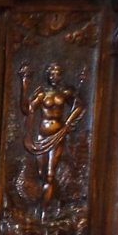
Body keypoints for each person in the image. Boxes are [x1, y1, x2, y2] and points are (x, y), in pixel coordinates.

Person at [18, 63, 84, 207]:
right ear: (47, 76)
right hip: (42, 137)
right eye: (52, 74)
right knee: (41, 173)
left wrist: (68, 122)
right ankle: (52, 201)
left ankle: (44, 210)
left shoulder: (64, 94)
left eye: (58, 74)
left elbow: (79, 105)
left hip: (58, 135)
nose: (55, 77)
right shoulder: (42, 95)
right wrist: (24, 83)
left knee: (49, 174)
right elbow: (26, 109)